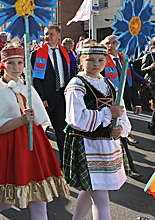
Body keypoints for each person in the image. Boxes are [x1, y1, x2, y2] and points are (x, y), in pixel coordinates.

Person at [0, 44, 69, 220]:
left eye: (20, 63)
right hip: (8, 148)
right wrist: (20, 120)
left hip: (33, 145)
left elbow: (40, 120)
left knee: (39, 196)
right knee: (5, 198)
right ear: (2, 65)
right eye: (11, 63)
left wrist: (30, 118)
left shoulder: (25, 87)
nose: (16, 67)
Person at [63, 42, 131, 220]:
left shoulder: (109, 83)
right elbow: (76, 119)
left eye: (101, 60)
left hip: (107, 147)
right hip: (88, 146)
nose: (96, 64)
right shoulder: (76, 84)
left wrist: (121, 128)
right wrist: (108, 113)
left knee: (90, 190)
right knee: (102, 200)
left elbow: (121, 110)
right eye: (90, 60)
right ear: (81, 60)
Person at [31, 25, 73, 165]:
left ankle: (64, 164)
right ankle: (42, 163)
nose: (48, 37)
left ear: (59, 36)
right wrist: (42, 98)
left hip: (61, 96)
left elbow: (69, 73)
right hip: (46, 98)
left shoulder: (64, 52)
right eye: (46, 34)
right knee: (42, 130)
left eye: (51, 34)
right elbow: (36, 79)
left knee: (62, 130)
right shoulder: (38, 53)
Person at [101, 35, 142, 176]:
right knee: (119, 135)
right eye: (107, 43)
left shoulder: (124, 58)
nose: (110, 46)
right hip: (110, 103)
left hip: (123, 99)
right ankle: (129, 167)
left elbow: (131, 80)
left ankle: (125, 167)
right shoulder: (103, 61)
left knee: (121, 134)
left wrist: (136, 101)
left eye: (113, 43)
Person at [141, 44, 155, 135]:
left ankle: (152, 125)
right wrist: (150, 67)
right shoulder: (149, 56)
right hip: (152, 83)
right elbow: (142, 69)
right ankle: (152, 126)